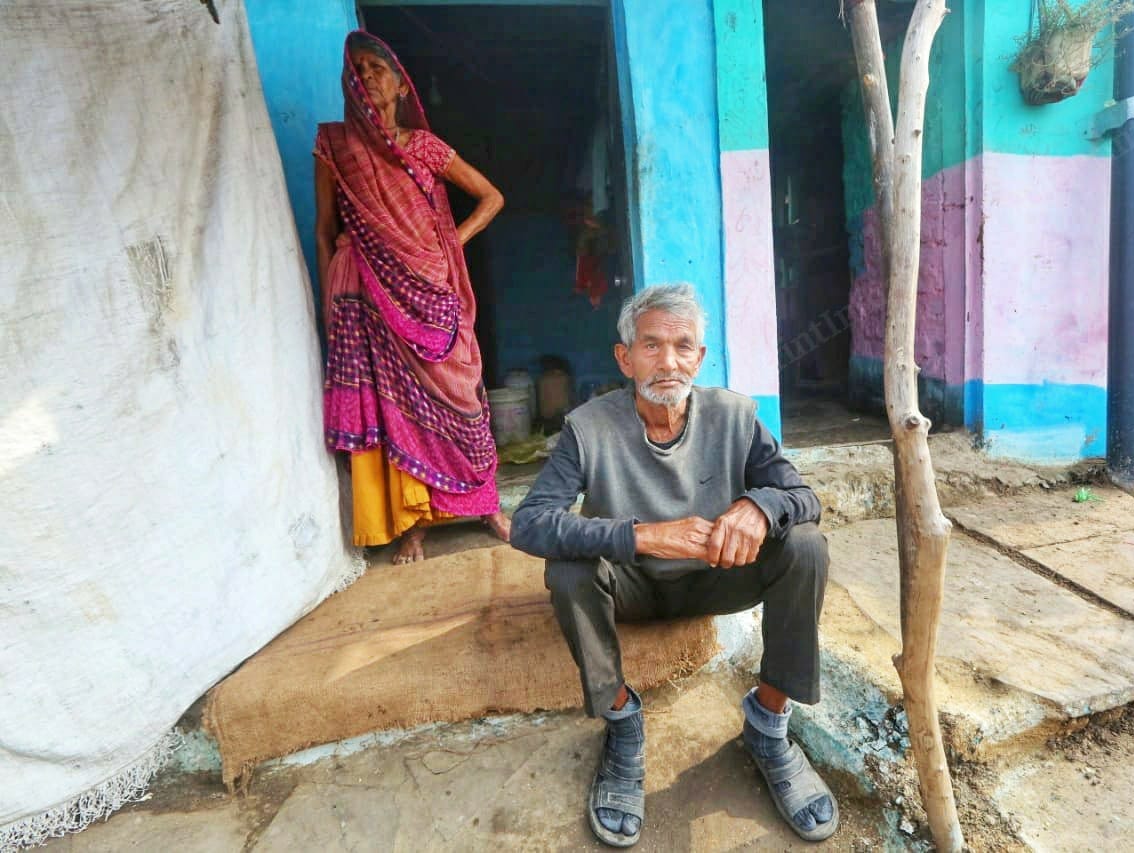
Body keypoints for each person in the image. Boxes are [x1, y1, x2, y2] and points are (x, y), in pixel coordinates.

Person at [510, 284, 838, 846]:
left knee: (806, 544)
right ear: (625, 357)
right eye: (651, 345)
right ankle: (622, 725)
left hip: (717, 578)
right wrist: (642, 537)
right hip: (632, 588)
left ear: (700, 357)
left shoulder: (735, 416)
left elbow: (803, 496)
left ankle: (768, 726)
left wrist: (760, 507)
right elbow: (530, 523)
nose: (667, 362)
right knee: (567, 570)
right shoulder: (587, 427)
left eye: (683, 346)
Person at [315, 31, 510, 563]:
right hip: (372, 295)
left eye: (378, 68)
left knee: (464, 395)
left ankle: (487, 504)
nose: (368, 76)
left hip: (433, 291)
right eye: (358, 68)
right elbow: (324, 228)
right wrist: (327, 299)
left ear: (402, 86)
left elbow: (491, 197)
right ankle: (416, 525)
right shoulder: (334, 147)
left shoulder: (426, 147)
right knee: (398, 405)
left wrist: (451, 244)